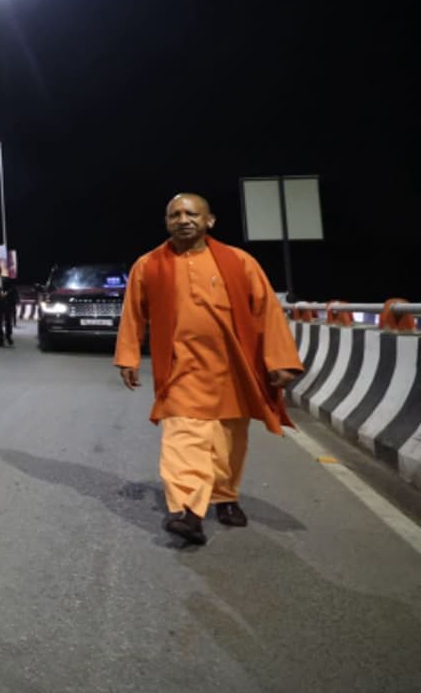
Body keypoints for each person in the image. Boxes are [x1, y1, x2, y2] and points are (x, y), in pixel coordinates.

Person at [115, 193, 303, 545]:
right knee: (183, 434)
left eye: (191, 213)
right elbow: (133, 313)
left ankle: (225, 497)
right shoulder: (149, 264)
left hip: (234, 366)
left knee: (229, 439)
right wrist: (127, 355)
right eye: (174, 214)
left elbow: (268, 312)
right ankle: (186, 510)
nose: (183, 219)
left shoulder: (238, 261)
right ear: (166, 221)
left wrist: (280, 360)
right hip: (180, 368)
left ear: (209, 220)